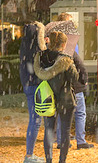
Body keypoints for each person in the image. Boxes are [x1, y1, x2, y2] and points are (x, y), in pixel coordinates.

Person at [34, 31, 78, 163]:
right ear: (63, 44)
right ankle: (62, 160)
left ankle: (48, 160)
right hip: (65, 100)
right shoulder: (65, 60)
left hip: (47, 99)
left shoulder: (40, 58)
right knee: (65, 131)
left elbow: (37, 77)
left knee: (48, 130)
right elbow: (75, 78)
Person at [19, 21, 47, 163]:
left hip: (28, 84)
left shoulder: (25, 46)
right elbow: (42, 67)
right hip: (36, 85)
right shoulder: (37, 50)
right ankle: (29, 156)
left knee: (34, 119)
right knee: (36, 120)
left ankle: (29, 154)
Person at [55, 51, 93, 150]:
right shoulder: (70, 52)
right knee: (80, 114)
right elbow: (81, 67)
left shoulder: (51, 53)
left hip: (60, 90)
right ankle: (81, 141)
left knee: (61, 115)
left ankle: (61, 141)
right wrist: (84, 80)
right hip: (75, 88)